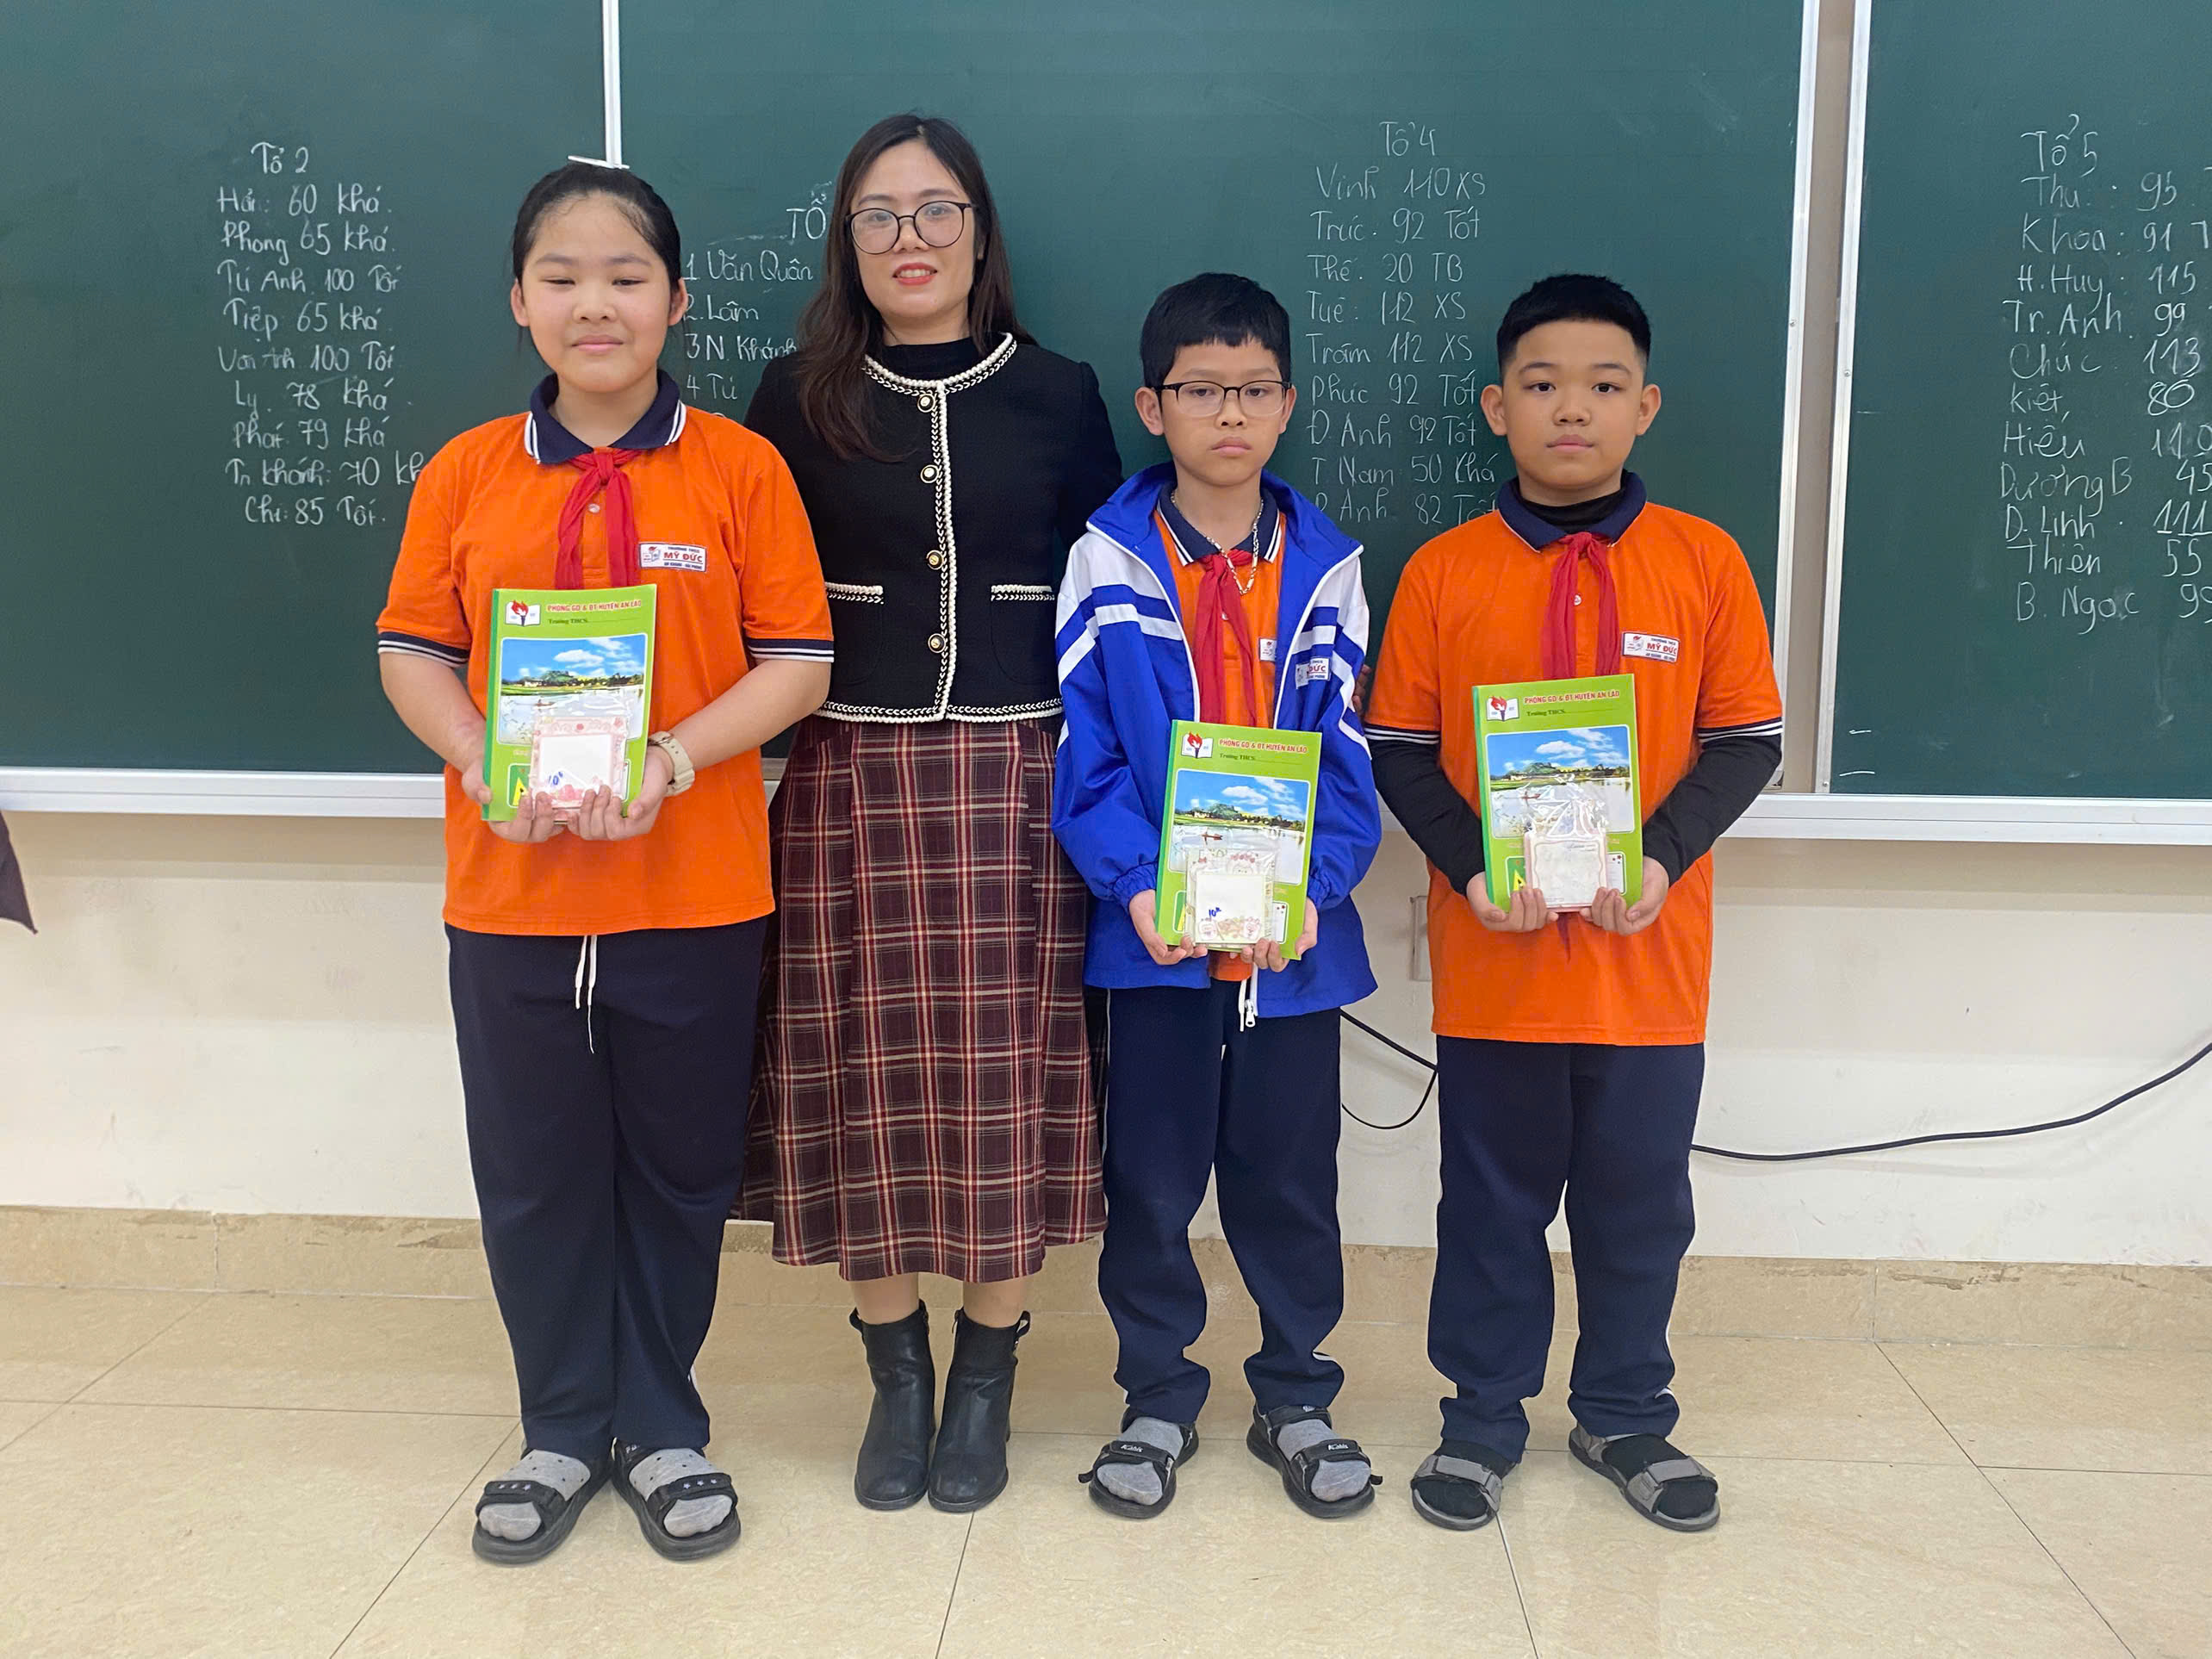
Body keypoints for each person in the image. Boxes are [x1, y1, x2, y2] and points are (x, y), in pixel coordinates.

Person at [376, 161, 831, 1563]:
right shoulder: (465, 471)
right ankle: (562, 1427)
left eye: (627, 276)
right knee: (534, 1173)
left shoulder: (742, 468)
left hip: (694, 891)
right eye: (562, 276)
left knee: (681, 1171)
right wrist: (477, 756)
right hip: (509, 893)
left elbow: (799, 662)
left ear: (676, 301)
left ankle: (664, 1424)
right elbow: (412, 650)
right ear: (519, 301)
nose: (595, 304)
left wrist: (673, 760)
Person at [740, 114, 1123, 1514]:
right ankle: (894, 1370)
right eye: (879, 215)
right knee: (864, 1076)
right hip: (846, 771)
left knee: (1002, 1080)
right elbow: (748, 583)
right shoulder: (795, 396)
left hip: (1020, 778)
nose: (911, 239)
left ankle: (988, 1372)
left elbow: (1110, 593)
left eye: (937, 210)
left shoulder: (1062, 392)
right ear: (847, 242)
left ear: (980, 230)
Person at [1365, 273, 1783, 1534]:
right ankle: (1482, 1419)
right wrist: (1468, 869)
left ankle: (1624, 1413)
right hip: (1497, 966)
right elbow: (1399, 749)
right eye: (1541, 384)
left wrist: (1657, 859)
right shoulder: (1444, 572)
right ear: (1499, 406)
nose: (1572, 409)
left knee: (1638, 1206)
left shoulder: (1704, 560)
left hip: (1648, 970)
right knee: (1491, 1205)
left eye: (1604, 386)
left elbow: (1748, 739)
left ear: (1645, 406)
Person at [1053, 273, 1382, 1519]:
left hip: (1295, 947)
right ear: (1153, 406)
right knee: (1149, 1182)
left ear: (1288, 404)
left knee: (1291, 1181)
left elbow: (1349, 759)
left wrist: (1316, 888)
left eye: (1253, 390)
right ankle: (1155, 1395)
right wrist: (1137, 888)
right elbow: (1085, 754)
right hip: (1155, 943)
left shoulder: (1331, 570)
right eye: (1201, 390)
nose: (1229, 414)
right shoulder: (1106, 563)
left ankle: (1296, 1394)